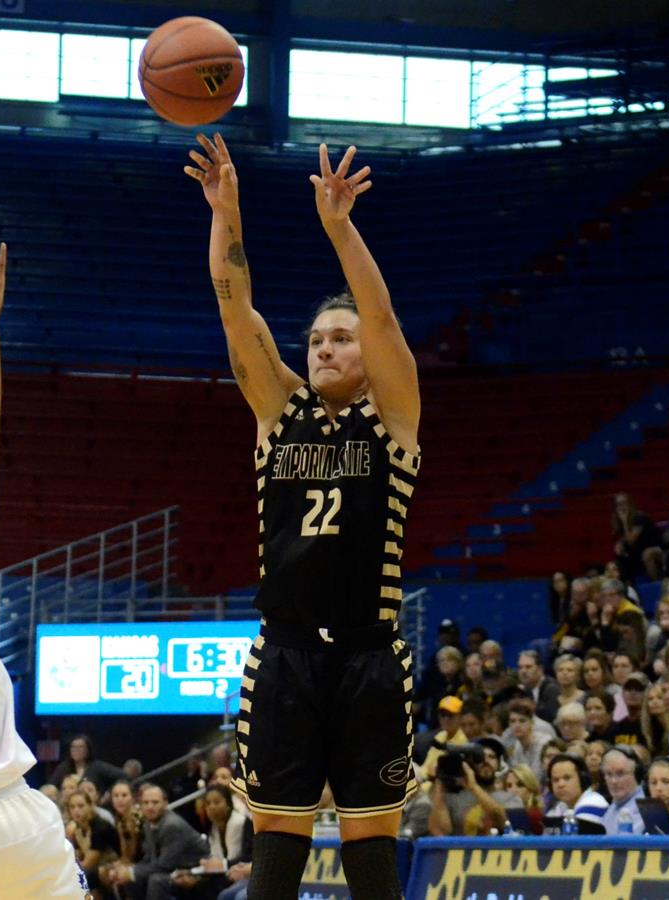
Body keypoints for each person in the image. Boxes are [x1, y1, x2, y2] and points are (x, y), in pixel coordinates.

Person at [188, 136, 419, 900]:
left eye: (340, 339)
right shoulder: (278, 413)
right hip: (285, 653)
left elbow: (382, 319)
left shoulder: (392, 419)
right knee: (277, 842)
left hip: (369, 653)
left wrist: (339, 227)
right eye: (317, 339)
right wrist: (228, 216)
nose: (325, 348)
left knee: (370, 847)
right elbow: (233, 309)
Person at [102, 784, 207, 900]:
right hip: (174, 869)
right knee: (131, 880)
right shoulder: (148, 823)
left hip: (196, 871)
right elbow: (150, 857)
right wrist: (130, 870)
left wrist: (132, 872)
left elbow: (164, 865)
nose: (150, 807)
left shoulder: (171, 825)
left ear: (165, 804)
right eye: (145, 803)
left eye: (155, 802)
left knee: (155, 880)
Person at [173, 786, 254, 900]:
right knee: (184, 886)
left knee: (211, 889)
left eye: (217, 802)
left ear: (228, 803)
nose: (212, 807)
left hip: (242, 873)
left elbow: (251, 857)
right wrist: (192, 873)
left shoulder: (244, 823)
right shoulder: (211, 828)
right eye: (208, 803)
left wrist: (224, 864)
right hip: (221, 875)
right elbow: (212, 863)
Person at [429, 740, 517, 836]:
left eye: (491, 757)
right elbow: (440, 833)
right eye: (478, 757)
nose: (485, 761)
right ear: (469, 764)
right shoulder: (453, 798)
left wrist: (473, 787)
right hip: (459, 850)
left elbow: (503, 822)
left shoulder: (510, 798)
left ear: (499, 764)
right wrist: (439, 783)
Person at [50, 737, 129, 797]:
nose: (76, 750)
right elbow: (50, 786)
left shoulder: (98, 767)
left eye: (80, 747)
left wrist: (109, 794)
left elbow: (123, 775)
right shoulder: (63, 768)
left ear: (88, 750)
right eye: (73, 747)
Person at [545, 754, 607, 829]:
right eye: (555, 780)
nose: (560, 784)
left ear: (582, 779)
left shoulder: (593, 802)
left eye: (567, 778)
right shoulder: (560, 807)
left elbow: (575, 840)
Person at [599, 748, 646, 834]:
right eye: (609, 774)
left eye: (620, 774)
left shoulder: (643, 807)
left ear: (636, 774)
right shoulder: (613, 807)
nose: (614, 781)